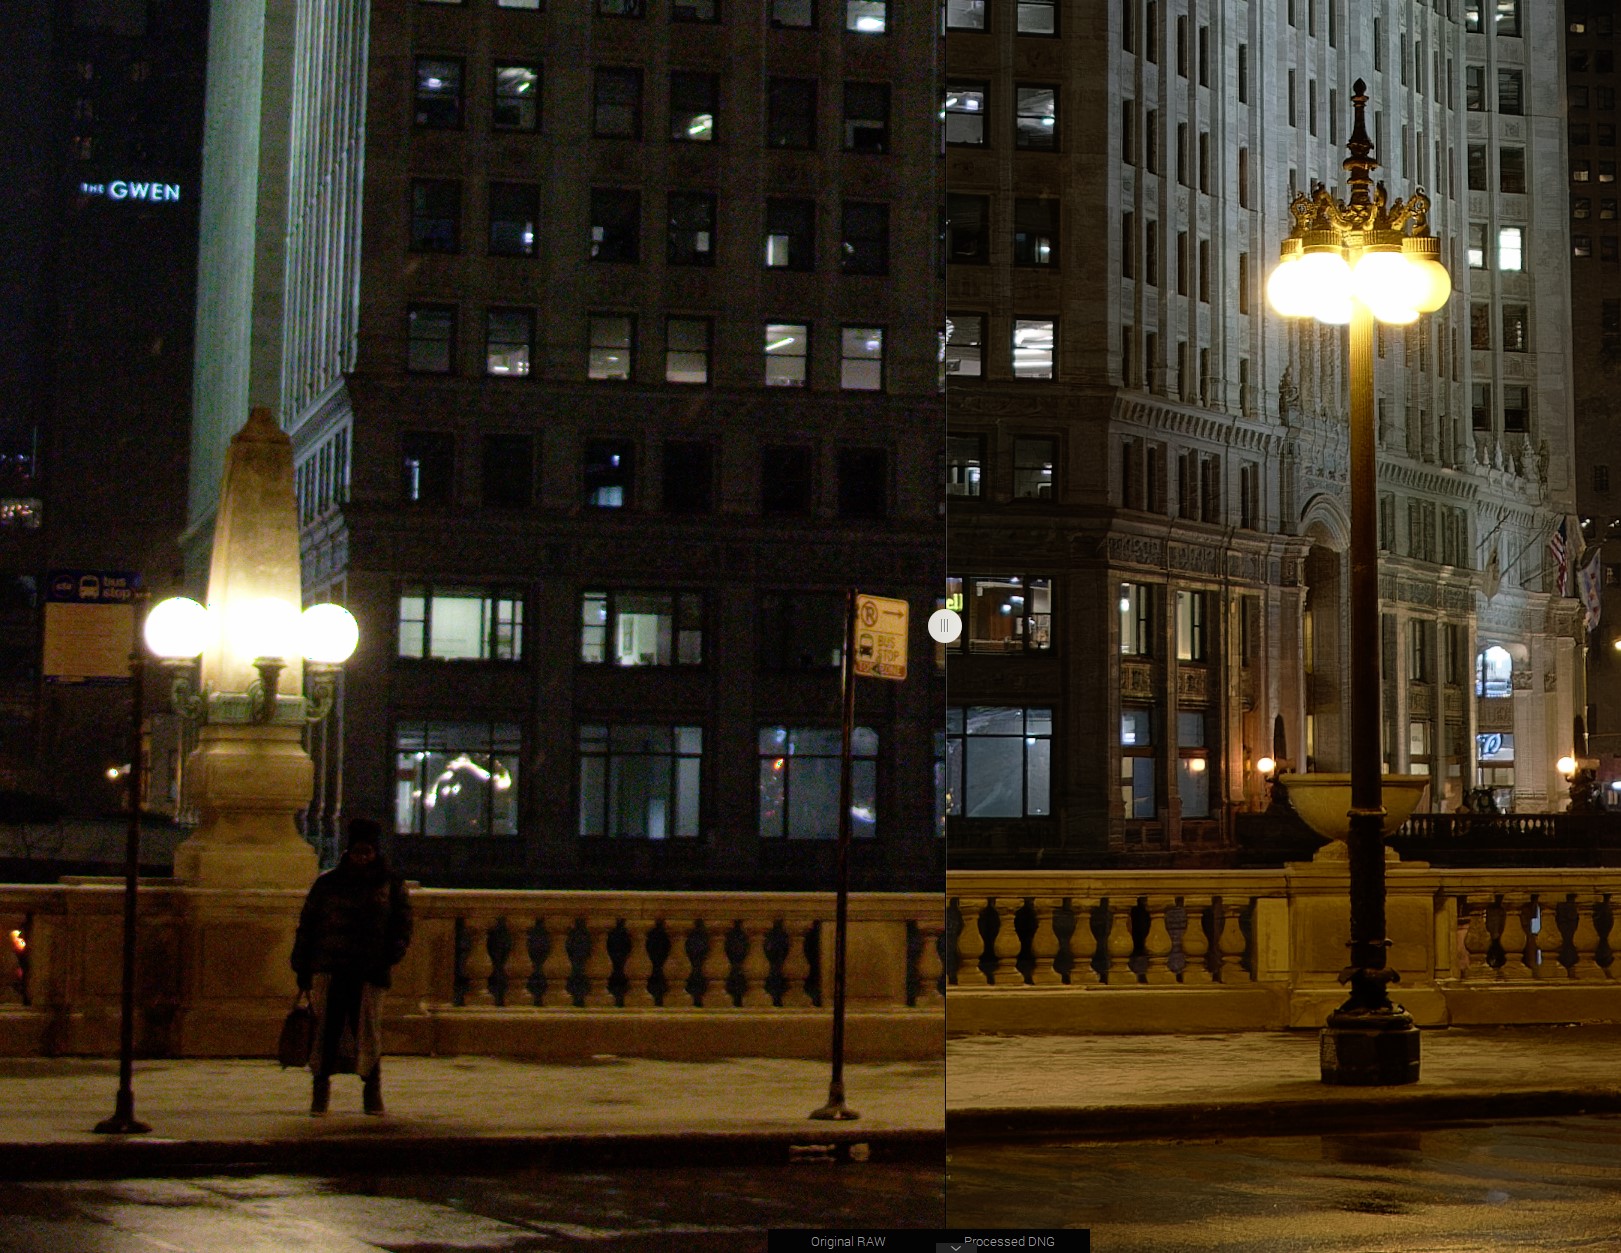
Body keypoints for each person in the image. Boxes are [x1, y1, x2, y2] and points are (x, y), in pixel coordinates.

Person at [291, 818, 412, 1116]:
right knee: (326, 1035)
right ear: (349, 851)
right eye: (358, 851)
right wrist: (303, 967)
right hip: (332, 969)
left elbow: (402, 927)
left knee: (367, 1035)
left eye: (367, 852)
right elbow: (307, 926)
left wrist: (389, 956)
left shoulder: (389, 885)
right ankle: (321, 1093)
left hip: (368, 971)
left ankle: (372, 1092)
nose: (362, 857)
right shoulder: (328, 884)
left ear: (375, 852)